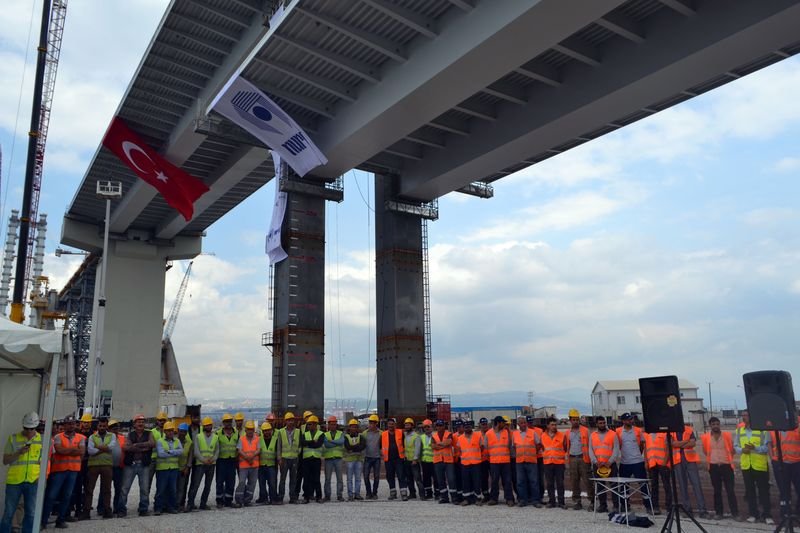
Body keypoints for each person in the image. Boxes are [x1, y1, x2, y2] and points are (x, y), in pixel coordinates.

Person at [42, 415, 86, 528]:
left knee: (67, 495)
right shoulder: (58, 436)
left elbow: (81, 452)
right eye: (68, 423)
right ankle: (43, 520)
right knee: (51, 496)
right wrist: (73, 450)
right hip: (59, 470)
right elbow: (59, 450)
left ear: (75, 424)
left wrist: (67, 450)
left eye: (73, 423)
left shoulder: (81, 437)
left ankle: (60, 519)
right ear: (64, 425)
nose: (71, 426)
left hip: (73, 470)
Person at [1, 412, 42, 533]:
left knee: (31, 513)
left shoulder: (42, 439)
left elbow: (46, 461)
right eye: (26, 428)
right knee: (9, 512)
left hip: (33, 481)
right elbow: (5, 460)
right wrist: (18, 453)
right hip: (14, 482)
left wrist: (42, 478)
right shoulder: (13, 438)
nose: (28, 431)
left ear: (36, 427)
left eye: (31, 429)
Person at [735, 410, 773, 524]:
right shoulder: (739, 431)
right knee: (750, 491)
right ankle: (753, 514)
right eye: (743, 416)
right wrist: (742, 450)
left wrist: (754, 448)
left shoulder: (763, 431)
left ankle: (767, 515)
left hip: (760, 465)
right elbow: (735, 446)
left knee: (764, 491)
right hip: (746, 466)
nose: (744, 418)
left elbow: (766, 448)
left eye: (746, 416)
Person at [700, 417, 739, 521]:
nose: (715, 426)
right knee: (717, 491)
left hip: (726, 466)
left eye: (717, 424)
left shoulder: (727, 435)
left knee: (730, 490)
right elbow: (705, 451)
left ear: (719, 425)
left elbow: (732, 450)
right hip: (713, 467)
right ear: (710, 426)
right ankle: (719, 513)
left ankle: (735, 513)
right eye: (713, 424)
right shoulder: (705, 437)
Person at [118, 414, 155, 517]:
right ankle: (121, 509)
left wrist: (136, 445)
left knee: (144, 488)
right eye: (138, 422)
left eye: (142, 422)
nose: (141, 423)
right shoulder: (130, 435)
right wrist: (144, 447)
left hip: (144, 465)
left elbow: (152, 444)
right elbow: (126, 447)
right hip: (130, 465)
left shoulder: (149, 433)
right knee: (125, 488)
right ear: (134, 424)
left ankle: (143, 509)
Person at [616, 413, 651, 512]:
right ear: (623, 421)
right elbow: (617, 445)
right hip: (624, 463)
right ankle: (624, 505)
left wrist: (638, 456)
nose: (630, 421)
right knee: (624, 486)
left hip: (638, 463)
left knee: (643, 484)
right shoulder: (618, 431)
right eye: (628, 420)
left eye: (631, 419)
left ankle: (648, 505)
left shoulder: (638, 431)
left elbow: (642, 446)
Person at [82, 417, 116, 520]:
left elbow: (112, 447)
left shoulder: (112, 435)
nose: (102, 427)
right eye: (100, 426)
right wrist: (105, 448)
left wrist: (98, 447)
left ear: (107, 426)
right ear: (97, 426)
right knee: (89, 489)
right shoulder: (92, 437)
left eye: (104, 426)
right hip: (93, 466)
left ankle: (107, 510)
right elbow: (90, 451)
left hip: (107, 465)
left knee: (107, 489)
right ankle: (86, 511)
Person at [672, 423, 708, 518]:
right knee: (683, 486)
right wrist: (685, 442)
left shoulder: (688, 429)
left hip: (690, 460)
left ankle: (702, 510)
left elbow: (693, 443)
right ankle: (687, 510)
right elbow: (672, 444)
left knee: (696, 484)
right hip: (678, 461)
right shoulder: (671, 430)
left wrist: (678, 444)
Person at [186, 417, 218, 511]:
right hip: (200, 464)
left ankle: (203, 503)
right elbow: (196, 451)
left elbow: (217, 451)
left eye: (210, 425)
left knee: (208, 485)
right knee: (195, 484)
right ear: (204, 426)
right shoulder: (198, 437)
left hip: (211, 464)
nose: (208, 426)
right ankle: (190, 504)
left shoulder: (215, 437)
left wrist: (213, 459)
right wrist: (203, 460)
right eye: (207, 425)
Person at [771, 416, 800, 517]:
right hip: (780, 463)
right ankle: (785, 512)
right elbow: (770, 444)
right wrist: (773, 458)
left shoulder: (797, 423)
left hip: (796, 463)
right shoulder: (773, 425)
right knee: (784, 490)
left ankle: (797, 512)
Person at [589, 416, 619, 513]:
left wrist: (610, 462)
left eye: (603, 423)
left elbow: (616, 449)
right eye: (600, 423)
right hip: (597, 465)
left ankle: (616, 506)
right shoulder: (592, 435)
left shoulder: (613, 434)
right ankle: (603, 505)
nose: (602, 425)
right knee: (600, 486)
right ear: (596, 424)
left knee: (614, 485)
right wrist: (595, 461)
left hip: (610, 465)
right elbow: (590, 449)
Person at [483, 415, 514, 506]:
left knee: (507, 481)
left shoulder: (507, 432)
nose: (504, 424)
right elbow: (486, 447)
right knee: (494, 481)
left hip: (505, 461)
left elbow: (511, 444)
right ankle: (494, 498)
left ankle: (509, 498)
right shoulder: (488, 434)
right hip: (494, 462)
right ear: (498, 423)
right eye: (502, 422)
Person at [512, 415, 541, 508]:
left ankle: (535, 500)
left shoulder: (533, 433)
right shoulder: (515, 434)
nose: (523, 424)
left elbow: (538, 444)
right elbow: (514, 447)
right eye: (521, 423)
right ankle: (522, 500)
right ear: (518, 424)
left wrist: (533, 452)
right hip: (520, 461)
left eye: (525, 422)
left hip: (531, 461)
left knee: (534, 481)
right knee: (520, 482)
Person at [154, 421, 182, 515]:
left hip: (174, 469)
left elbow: (181, 451)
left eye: (171, 431)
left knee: (172, 489)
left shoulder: (177, 441)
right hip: (162, 469)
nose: (170, 432)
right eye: (168, 431)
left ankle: (171, 507)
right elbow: (161, 454)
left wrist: (169, 452)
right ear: (164, 432)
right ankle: (158, 508)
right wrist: (174, 452)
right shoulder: (160, 441)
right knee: (161, 490)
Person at [567, 409, 593, 511]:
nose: (575, 421)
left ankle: (592, 501)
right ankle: (577, 502)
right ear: (570, 420)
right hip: (573, 459)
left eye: (577, 419)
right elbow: (566, 446)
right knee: (574, 481)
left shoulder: (585, 431)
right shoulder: (568, 433)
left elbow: (591, 445)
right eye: (573, 419)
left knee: (588, 481)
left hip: (583, 459)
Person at [69, 413, 93, 520]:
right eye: (84, 422)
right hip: (78, 463)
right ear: (81, 423)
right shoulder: (76, 434)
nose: (86, 424)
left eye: (88, 423)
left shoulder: (93, 435)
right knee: (76, 488)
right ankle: (76, 509)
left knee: (88, 487)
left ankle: (85, 508)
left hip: (89, 464)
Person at [542, 417, 567, 509]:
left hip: (559, 463)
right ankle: (551, 501)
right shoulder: (543, 436)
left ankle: (561, 502)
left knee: (560, 483)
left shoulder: (562, 435)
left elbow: (565, 447)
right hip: (548, 463)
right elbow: (541, 447)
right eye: (552, 425)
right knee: (549, 483)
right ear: (548, 426)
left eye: (555, 424)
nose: (554, 426)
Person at [644, 430, 671, 515]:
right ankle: (655, 507)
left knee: (667, 486)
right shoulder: (647, 435)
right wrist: (646, 462)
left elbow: (668, 448)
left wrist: (665, 462)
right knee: (654, 486)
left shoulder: (664, 434)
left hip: (663, 463)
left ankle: (669, 507)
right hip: (652, 463)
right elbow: (646, 449)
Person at [234, 420, 260, 507]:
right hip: (244, 465)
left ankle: (247, 500)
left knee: (252, 483)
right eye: (248, 429)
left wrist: (251, 457)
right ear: (245, 430)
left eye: (251, 429)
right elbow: (239, 450)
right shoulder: (241, 439)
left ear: (254, 430)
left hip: (254, 465)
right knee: (242, 482)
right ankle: (239, 499)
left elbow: (259, 450)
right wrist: (247, 458)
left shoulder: (257, 438)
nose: (250, 431)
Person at [215, 413, 238, 508]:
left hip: (232, 460)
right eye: (226, 422)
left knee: (231, 481)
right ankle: (219, 501)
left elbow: (238, 447)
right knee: (220, 481)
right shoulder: (217, 434)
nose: (228, 423)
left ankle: (228, 500)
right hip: (221, 460)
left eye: (229, 421)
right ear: (223, 423)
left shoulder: (236, 433)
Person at [456, 420, 482, 506]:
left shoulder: (478, 436)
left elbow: (482, 447)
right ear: (463, 428)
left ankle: (478, 498)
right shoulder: (460, 438)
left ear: (472, 427)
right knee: (466, 481)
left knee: (477, 481)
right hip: (465, 463)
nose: (467, 428)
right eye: (466, 427)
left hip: (476, 463)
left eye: (469, 426)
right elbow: (459, 450)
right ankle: (467, 499)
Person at [277, 411, 301, 503]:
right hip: (284, 459)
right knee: (282, 479)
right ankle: (280, 497)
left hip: (294, 458)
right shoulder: (281, 432)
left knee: (293, 479)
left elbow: (300, 445)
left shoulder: (298, 431)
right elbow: (279, 446)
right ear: (285, 421)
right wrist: (279, 458)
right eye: (288, 420)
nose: (290, 422)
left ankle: (293, 497)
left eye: (292, 420)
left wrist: (298, 453)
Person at [300, 415, 323, 503]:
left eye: (311, 424)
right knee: (306, 479)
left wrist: (309, 443)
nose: (309, 426)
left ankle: (319, 496)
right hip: (306, 459)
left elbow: (319, 445)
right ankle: (306, 497)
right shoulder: (304, 434)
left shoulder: (320, 434)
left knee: (316, 479)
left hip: (316, 459)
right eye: (308, 424)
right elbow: (303, 443)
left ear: (316, 424)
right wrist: (313, 442)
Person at [381, 418, 406, 500]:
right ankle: (393, 493)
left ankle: (403, 493)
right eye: (389, 424)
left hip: (399, 458)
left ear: (395, 425)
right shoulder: (383, 434)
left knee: (401, 475)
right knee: (390, 476)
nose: (391, 425)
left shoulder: (400, 433)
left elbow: (404, 443)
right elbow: (380, 446)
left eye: (392, 424)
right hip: (388, 459)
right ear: (387, 425)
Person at [432, 419, 456, 503]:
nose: (439, 427)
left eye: (441, 425)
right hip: (438, 461)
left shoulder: (448, 434)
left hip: (448, 461)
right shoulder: (433, 435)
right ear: (436, 426)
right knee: (440, 480)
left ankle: (454, 498)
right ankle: (444, 497)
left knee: (451, 479)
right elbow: (433, 446)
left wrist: (439, 444)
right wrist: (443, 444)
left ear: (444, 426)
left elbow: (449, 442)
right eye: (438, 425)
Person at [147, 412, 168, 505]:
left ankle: (158, 503)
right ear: (157, 421)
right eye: (160, 420)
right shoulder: (152, 432)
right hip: (152, 460)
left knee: (161, 484)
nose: (162, 422)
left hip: (163, 461)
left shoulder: (168, 432)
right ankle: (145, 503)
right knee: (147, 483)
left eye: (163, 420)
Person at [322, 416, 345, 502]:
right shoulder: (325, 434)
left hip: (338, 458)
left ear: (337, 425)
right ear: (329, 425)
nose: (333, 426)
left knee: (340, 478)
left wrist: (330, 441)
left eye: (334, 424)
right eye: (331, 424)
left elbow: (341, 442)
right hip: (328, 458)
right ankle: (327, 495)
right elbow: (327, 445)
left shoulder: (341, 433)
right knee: (327, 479)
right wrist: (336, 443)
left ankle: (339, 495)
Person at [107, 420, 126, 517]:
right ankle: (103, 508)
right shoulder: (106, 438)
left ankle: (117, 508)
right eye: (113, 427)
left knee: (118, 489)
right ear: (109, 429)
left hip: (119, 467)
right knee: (106, 489)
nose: (115, 429)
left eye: (117, 427)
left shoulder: (122, 438)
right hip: (108, 467)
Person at [402, 418, 424, 500]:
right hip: (407, 460)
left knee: (417, 479)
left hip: (414, 461)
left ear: (412, 425)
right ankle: (412, 493)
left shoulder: (416, 436)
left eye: (408, 425)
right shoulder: (405, 435)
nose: (407, 426)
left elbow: (418, 448)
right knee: (409, 479)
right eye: (405, 425)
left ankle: (422, 494)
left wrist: (415, 459)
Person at [343, 419, 366, 501]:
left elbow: (362, 446)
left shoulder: (361, 436)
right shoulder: (346, 437)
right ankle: (350, 495)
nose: (353, 428)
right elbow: (347, 447)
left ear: (357, 428)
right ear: (349, 428)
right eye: (352, 427)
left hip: (358, 460)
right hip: (349, 460)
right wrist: (356, 447)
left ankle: (357, 494)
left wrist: (353, 448)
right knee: (349, 479)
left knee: (358, 478)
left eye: (355, 427)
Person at [257, 422, 278, 504]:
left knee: (272, 483)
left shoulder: (275, 439)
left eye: (268, 430)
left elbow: (278, 451)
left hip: (271, 465)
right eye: (265, 430)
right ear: (262, 431)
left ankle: (273, 498)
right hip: (261, 465)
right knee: (262, 483)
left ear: (271, 430)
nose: (267, 432)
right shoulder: (259, 439)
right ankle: (263, 498)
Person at [362, 414, 382, 500]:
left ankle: (374, 493)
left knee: (376, 476)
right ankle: (368, 493)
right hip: (367, 457)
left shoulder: (381, 433)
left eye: (372, 423)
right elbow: (361, 445)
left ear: (376, 424)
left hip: (377, 458)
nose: (370, 424)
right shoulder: (364, 433)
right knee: (366, 476)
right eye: (370, 423)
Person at [176, 423, 193, 511]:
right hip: (173, 468)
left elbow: (190, 456)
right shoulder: (173, 440)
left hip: (183, 468)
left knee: (181, 488)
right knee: (172, 487)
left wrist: (187, 467)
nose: (182, 433)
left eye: (184, 432)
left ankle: (178, 505)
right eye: (181, 431)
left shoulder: (189, 442)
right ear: (178, 431)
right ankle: (169, 505)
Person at [419, 420, 435, 500]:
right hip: (425, 461)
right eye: (425, 427)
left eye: (428, 427)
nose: (427, 428)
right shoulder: (421, 437)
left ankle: (438, 493)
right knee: (426, 478)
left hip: (434, 460)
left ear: (431, 427)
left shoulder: (435, 436)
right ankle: (429, 493)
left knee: (436, 478)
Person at [478, 417, 491, 502]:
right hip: (482, 460)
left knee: (495, 478)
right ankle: (485, 494)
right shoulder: (477, 435)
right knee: (483, 478)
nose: (484, 426)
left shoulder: (491, 433)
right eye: (483, 424)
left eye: (485, 424)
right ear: (480, 425)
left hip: (492, 459)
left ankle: (494, 495)